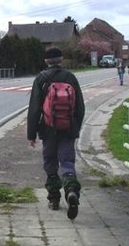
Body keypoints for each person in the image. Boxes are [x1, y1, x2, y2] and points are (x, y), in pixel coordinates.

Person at [27, 48, 86, 219]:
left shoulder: (41, 79)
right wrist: (75, 127)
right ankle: (72, 191)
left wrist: (32, 135)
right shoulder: (70, 78)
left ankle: (54, 199)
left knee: (50, 162)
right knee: (67, 162)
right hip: (68, 128)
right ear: (61, 59)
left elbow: (34, 109)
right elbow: (80, 107)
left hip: (48, 129)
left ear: (46, 61)